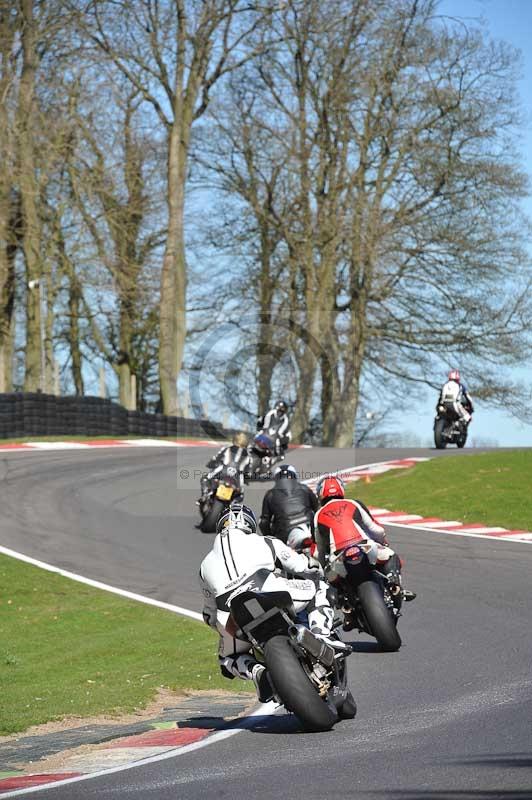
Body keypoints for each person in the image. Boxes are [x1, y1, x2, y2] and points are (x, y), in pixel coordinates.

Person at [198, 504, 346, 702]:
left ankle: (256, 671)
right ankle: (323, 635)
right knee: (318, 585)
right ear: (250, 523)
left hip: (231, 615)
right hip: (269, 592)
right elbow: (304, 565)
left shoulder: (204, 566)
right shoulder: (265, 541)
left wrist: (220, 627)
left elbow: (209, 614)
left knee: (227, 658)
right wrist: (319, 571)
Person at [313, 476, 415, 629]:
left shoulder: (317, 515)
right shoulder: (354, 504)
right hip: (365, 547)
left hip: (338, 558)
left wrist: (322, 566)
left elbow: (319, 550)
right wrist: (383, 542)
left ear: (320, 494)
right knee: (390, 555)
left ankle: (346, 609)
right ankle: (394, 583)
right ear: (341, 490)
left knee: (328, 581)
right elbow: (376, 530)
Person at [259, 464, 318, 547]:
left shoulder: (270, 494)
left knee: (279, 556)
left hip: (285, 532)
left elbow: (264, 522)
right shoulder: (305, 488)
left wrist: (270, 537)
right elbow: (318, 509)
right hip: (309, 526)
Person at [198, 432, 251, 503]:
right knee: (241, 494)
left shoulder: (227, 449)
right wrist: (246, 481)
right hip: (237, 477)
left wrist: (210, 464)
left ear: (235, 440)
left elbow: (216, 458)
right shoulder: (248, 456)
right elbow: (248, 471)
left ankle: (205, 495)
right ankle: (233, 504)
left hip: (222, 471)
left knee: (205, 478)